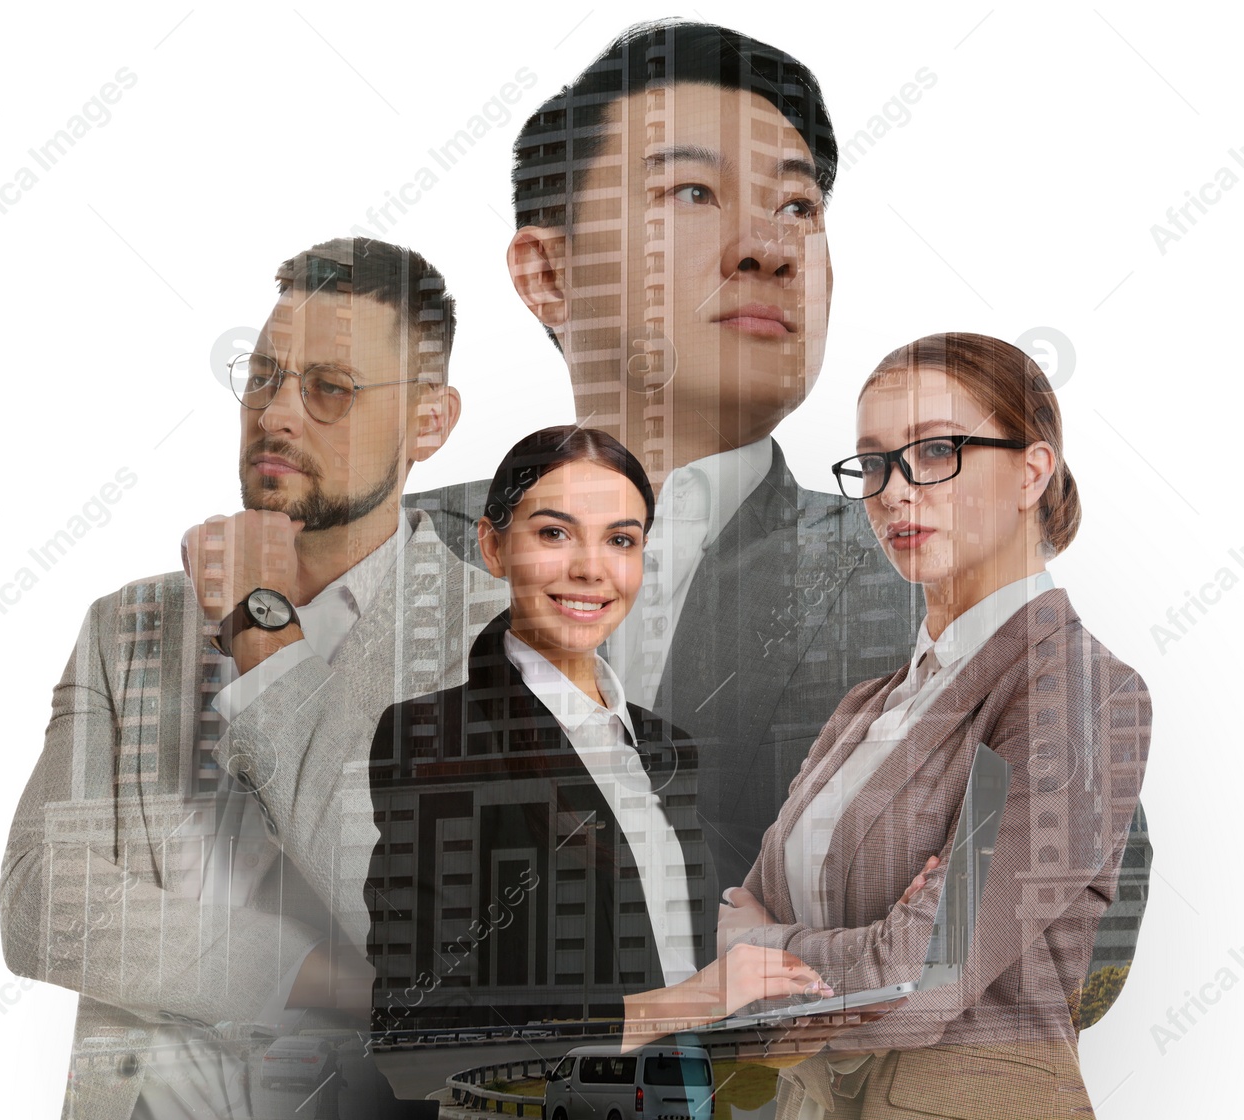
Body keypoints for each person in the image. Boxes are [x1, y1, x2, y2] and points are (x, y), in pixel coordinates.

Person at [405, 16, 1146, 1023]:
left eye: (798, 205)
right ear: (546, 272)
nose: (767, 247)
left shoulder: (924, 576)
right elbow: (262, 905)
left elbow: (1068, 938)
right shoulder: (377, 565)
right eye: (691, 192)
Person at [0, 238, 506, 1120]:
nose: (277, 414)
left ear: (430, 421)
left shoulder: (495, 639)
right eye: (263, 376)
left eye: (329, 389)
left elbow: (425, 935)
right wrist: (315, 977)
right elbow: (42, 903)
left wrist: (255, 617)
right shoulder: (130, 627)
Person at [708, 333, 1153, 1118]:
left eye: (937, 450)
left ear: (1030, 471)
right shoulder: (867, 707)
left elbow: (918, 980)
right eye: (875, 462)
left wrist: (760, 946)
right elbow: (762, 916)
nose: (894, 490)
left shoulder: (1075, 690)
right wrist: (858, 947)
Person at [363, 426, 829, 1085]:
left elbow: (667, 982)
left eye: (620, 540)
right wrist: (699, 1000)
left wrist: (759, 1029)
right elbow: (421, 1035)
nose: (591, 567)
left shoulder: (664, 748)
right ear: (494, 547)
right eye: (554, 533)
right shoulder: (437, 737)